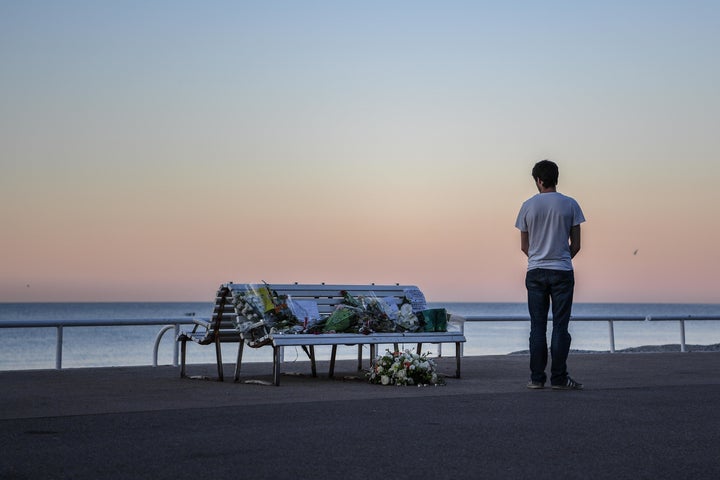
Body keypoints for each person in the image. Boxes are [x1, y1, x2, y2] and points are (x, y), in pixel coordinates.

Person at [515, 160, 586, 390]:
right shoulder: (570, 204)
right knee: (560, 326)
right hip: (562, 271)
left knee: (537, 326)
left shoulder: (528, 206)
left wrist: (539, 259)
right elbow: (576, 245)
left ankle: (536, 379)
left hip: (535, 271)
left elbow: (524, 246)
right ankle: (558, 378)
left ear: (538, 180)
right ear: (556, 178)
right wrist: (561, 259)